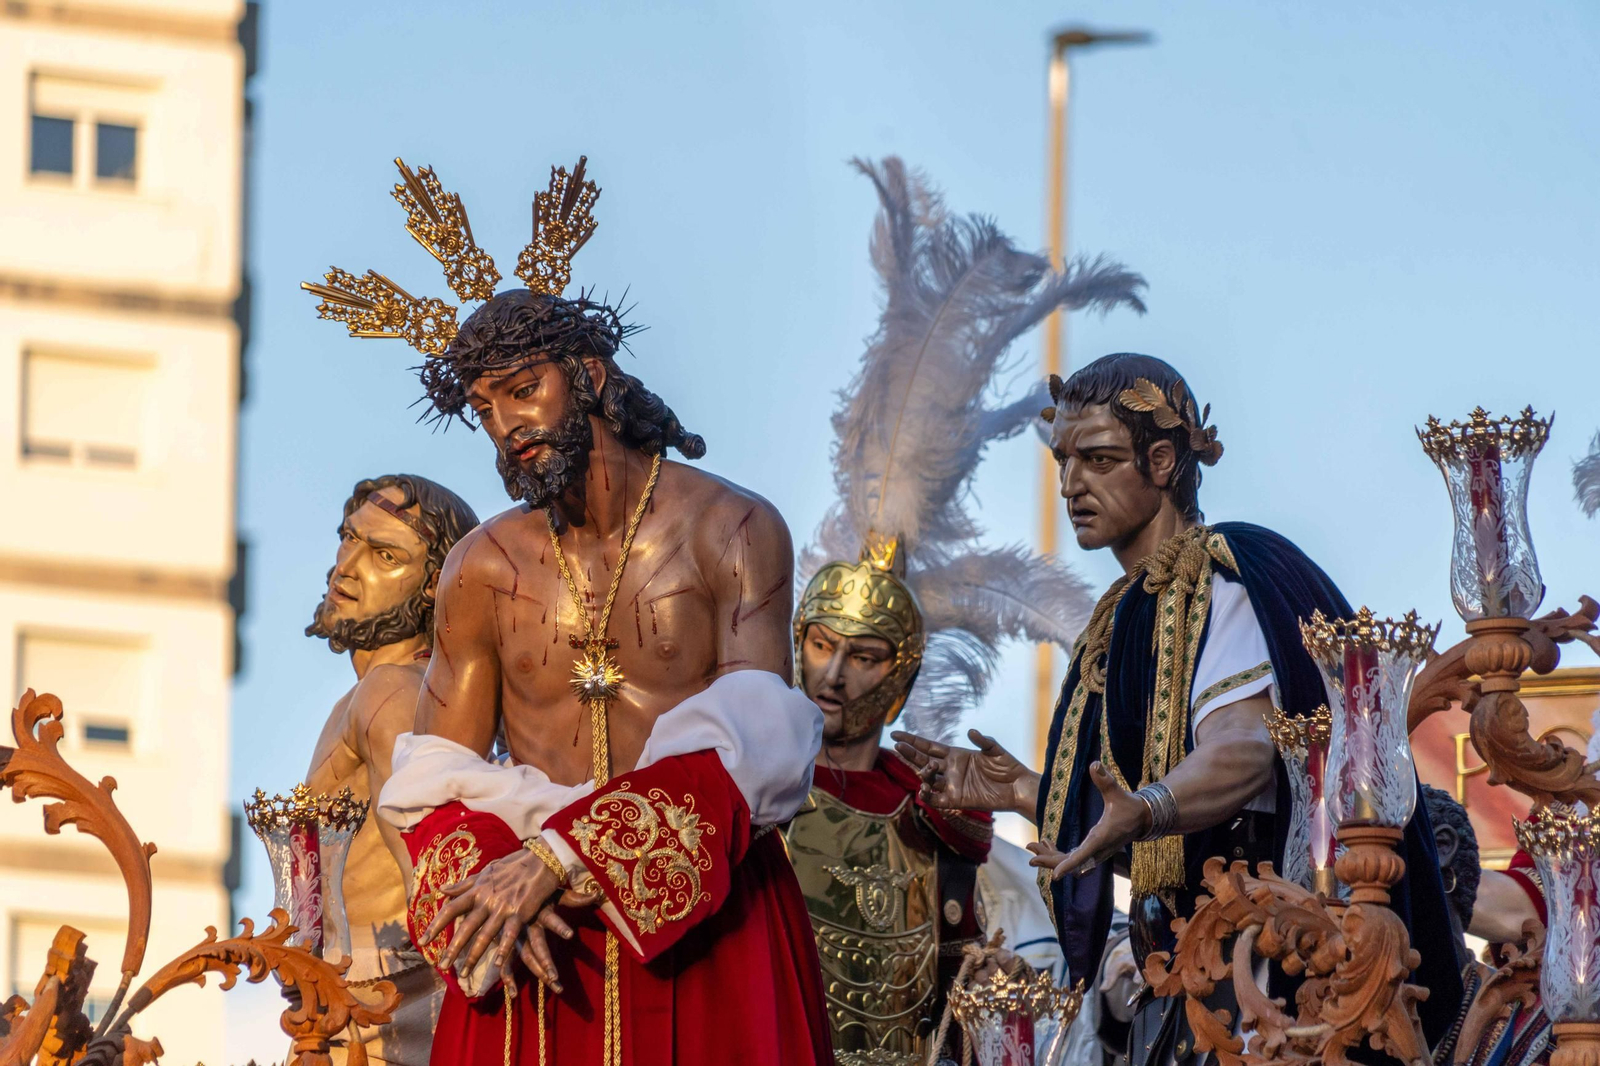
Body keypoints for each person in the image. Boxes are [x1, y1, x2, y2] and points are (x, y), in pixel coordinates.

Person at [305, 157, 831, 1064]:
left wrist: (563, 858)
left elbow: (760, 744)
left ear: (587, 374)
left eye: (523, 390)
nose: (505, 424)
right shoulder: (481, 567)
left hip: (703, 923)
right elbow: (430, 778)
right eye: (484, 408)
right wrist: (480, 882)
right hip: (528, 942)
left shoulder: (733, 530)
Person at [892, 352, 1464, 1066]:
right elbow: (1148, 833)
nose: (1071, 485)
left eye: (1097, 459)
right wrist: (1024, 792)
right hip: (1176, 983)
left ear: (1161, 460)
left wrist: (1149, 806)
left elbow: (1243, 748)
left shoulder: (1222, 579)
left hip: (1262, 976)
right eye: (1064, 461)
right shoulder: (1126, 615)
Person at [784, 158, 1140, 1065]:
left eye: (863, 655)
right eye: (819, 643)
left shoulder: (945, 830)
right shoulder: (750, 794)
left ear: (902, 674)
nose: (832, 672)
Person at [301, 472, 479, 1065]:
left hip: (388, 1020)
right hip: (341, 1010)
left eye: (384, 555)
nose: (346, 566)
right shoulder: (365, 698)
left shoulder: (393, 693)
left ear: (435, 589)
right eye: (348, 539)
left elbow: (433, 867)